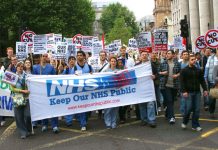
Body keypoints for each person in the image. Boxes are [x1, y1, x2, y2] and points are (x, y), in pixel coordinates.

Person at [32, 53, 59, 133]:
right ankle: (44, 124)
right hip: (41, 92)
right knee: (43, 108)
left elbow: (54, 78)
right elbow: (33, 80)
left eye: (46, 56)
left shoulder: (51, 67)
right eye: (43, 56)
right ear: (40, 57)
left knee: (52, 107)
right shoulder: (36, 68)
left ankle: (55, 125)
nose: (44, 58)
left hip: (50, 90)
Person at [180, 55, 208, 131]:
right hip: (188, 92)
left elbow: (202, 81)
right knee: (188, 109)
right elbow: (182, 82)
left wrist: (205, 90)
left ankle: (195, 125)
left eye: (195, 59)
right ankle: (185, 122)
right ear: (189, 60)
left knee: (197, 109)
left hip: (197, 92)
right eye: (192, 59)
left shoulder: (198, 70)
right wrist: (184, 91)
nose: (194, 61)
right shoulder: (184, 70)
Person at [10, 61, 32, 139]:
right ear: (16, 67)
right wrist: (22, 91)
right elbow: (12, 88)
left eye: (22, 66)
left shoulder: (28, 76)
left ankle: (29, 129)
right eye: (18, 66)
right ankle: (23, 132)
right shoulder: (12, 76)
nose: (20, 68)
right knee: (19, 117)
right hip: (17, 97)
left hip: (26, 97)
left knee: (28, 115)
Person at [135, 51, 157, 128]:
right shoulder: (137, 65)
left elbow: (156, 73)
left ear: (147, 56)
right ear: (140, 56)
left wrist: (154, 76)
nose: (144, 56)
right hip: (140, 88)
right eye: (142, 55)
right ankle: (144, 120)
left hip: (149, 88)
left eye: (145, 55)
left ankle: (151, 120)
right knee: (142, 105)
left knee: (150, 104)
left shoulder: (151, 65)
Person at [159, 50, 181, 124]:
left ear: (173, 55)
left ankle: (167, 112)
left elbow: (181, 72)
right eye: (167, 53)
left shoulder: (177, 63)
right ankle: (172, 117)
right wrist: (162, 73)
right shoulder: (163, 63)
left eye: (169, 53)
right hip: (166, 85)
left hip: (174, 85)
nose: (167, 55)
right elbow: (157, 73)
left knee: (171, 101)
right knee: (170, 100)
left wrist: (177, 75)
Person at [102, 56, 119, 129]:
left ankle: (113, 122)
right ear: (109, 62)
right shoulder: (105, 70)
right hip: (108, 92)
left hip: (116, 92)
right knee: (108, 108)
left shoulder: (118, 70)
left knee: (115, 109)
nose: (113, 62)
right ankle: (108, 123)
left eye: (114, 61)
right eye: (112, 61)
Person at [204, 48, 218, 118]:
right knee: (213, 98)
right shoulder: (210, 58)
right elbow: (207, 68)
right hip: (213, 82)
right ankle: (211, 111)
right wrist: (205, 78)